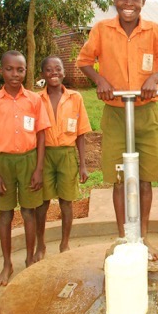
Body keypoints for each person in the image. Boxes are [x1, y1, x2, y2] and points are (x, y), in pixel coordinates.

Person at [76, 0, 158, 260]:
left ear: (143, 2)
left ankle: (143, 238)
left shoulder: (153, 31)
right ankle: (123, 237)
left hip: (145, 111)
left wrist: (156, 78)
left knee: (145, 177)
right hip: (114, 112)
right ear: (114, 0)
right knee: (119, 177)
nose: (128, 3)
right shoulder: (101, 29)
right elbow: (84, 61)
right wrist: (99, 80)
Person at [0, 50, 51, 286]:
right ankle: (7, 263)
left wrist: (38, 169)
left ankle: (29, 259)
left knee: (29, 212)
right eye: (9, 69)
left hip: (29, 161)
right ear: (1, 71)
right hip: (4, 163)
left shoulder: (35, 100)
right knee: (5, 215)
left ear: (26, 71)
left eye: (20, 69)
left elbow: (41, 136)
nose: (15, 74)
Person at [34, 56, 91, 261]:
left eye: (57, 69)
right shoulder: (36, 99)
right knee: (42, 203)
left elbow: (81, 133)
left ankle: (64, 243)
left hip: (67, 155)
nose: (53, 73)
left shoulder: (75, 98)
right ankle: (40, 245)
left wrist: (82, 164)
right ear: (42, 75)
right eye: (48, 70)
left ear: (64, 72)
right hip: (45, 154)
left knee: (66, 202)